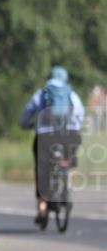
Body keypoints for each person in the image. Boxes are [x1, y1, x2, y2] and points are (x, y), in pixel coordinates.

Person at [19, 66, 84, 224]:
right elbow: (80, 113)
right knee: (67, 161)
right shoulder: (71, 93)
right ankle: (67, 185)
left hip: (45, 135)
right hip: (69, 135)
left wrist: (25, 124)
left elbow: (29, 111)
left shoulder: (43, 93)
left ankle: (42, 208)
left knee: (41, 169)